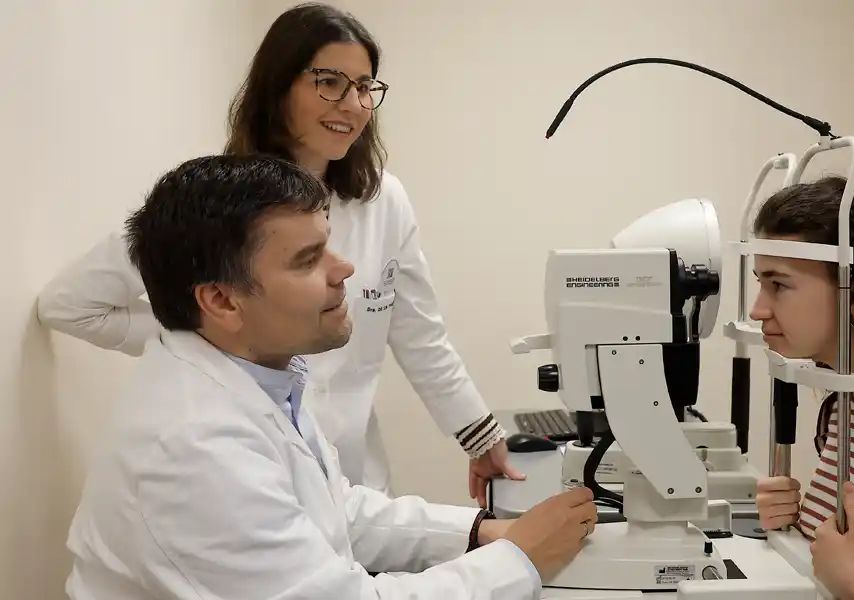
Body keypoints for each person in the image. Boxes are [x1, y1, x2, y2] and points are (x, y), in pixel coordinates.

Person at [36, 2, 515, 505]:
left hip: (353, 485)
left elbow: (420, 335)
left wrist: (481, 438)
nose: (352, 104)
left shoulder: (382, 199)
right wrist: (206, 330)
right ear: (279, 84)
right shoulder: (218, 206)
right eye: (330, 81)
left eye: (364, 87)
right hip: (248, 478)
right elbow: (68, 305)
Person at [66, 154, 598, 600]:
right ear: (223, 299)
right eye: (308, 259)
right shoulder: (193, 446)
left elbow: (330, 508)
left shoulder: (260, 373)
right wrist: (519, 558)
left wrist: (479, 531)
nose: (344, 269)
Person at [748, 176, 854, 600]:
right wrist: (797, 522)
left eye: (777, 284)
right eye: (759, 283)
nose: (757, 309)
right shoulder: (843, 405)